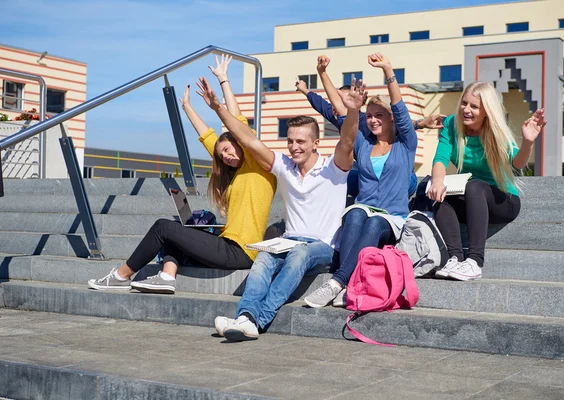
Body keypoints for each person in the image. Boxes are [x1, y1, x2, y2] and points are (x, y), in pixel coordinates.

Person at [88, 55, 276, 294]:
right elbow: (210, 140)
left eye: (229, 149)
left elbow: (239, 124)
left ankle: (121, 275)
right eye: (223, 154)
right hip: (227, 245)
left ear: (240, 144)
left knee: (162, 227)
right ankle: (167, 276)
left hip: (240, 251)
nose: (227, 156)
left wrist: (224, 80)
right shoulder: (237, 171)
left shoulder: (257, 166)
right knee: (177, 228)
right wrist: (187, 108)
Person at [200, 76, 366, 341]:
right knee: (264, 256)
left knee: (299, 254)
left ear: (316, 143)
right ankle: (244, 317)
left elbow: (347, 140)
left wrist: (354, 110)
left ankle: (259, 318)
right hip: (288, 241)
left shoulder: (334, 168)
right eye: (290, 141)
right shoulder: (284, 165)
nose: (294, 147)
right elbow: (248, 140)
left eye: (301, 142)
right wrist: (218, 108)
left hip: (322, 247)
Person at [304, 53, 417, 308]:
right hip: (364, 207)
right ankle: (351, 283)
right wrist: (353, 106)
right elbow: (345, 118)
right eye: (370, 115)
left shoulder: (405, 144)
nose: (373, 119)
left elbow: (399, 106)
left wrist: (388, 69)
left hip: (392, 216)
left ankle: (337, 282)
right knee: (355, 214)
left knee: (375, 221)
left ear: (391, 119)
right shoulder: (363, 144)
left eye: (380, 115)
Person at [427, 81, 546, 281]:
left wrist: (528, 142)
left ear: (486, 111)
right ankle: (455, 258)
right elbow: (440, 158)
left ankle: (474, 262)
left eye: (474, 106)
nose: (466, 109)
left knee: (474, 187)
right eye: (464, 103)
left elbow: (517, 162)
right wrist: (437, 183)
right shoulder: (451, 125)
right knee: (440, 197)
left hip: (503, 201)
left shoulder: (494, 130)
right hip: (470, 199)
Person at [295, 55, 446, 197]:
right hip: (370, 177)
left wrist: (420, 123)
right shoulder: (339, 117)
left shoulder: (365, 121)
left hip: (402, 178)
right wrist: (311, 83)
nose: (338, 104)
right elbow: (320, 102)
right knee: (337, 174)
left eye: (345, 99)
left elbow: (398, 122)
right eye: (339, 99)